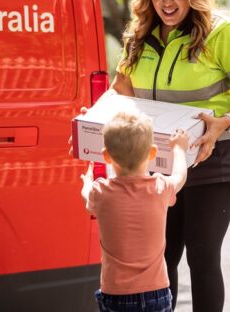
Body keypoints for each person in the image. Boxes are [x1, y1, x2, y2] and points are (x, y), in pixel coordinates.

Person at [107, 0, 230, 312]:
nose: (167, 2)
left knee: (202, 255)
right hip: (160, 157)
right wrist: (99, 119)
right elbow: (121, 91)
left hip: (217, 155)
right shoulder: (138, 36)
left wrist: (224, 122)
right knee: (162, 255)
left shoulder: (221, 33)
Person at [80, 111, 190, 312]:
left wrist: (87, 180)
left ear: (106, 156)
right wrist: (179, 149)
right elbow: (180, 176)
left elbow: (86, 193)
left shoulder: (101, 192)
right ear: (152, 153)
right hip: (156, 291)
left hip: (116, 293)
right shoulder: (160, 188)